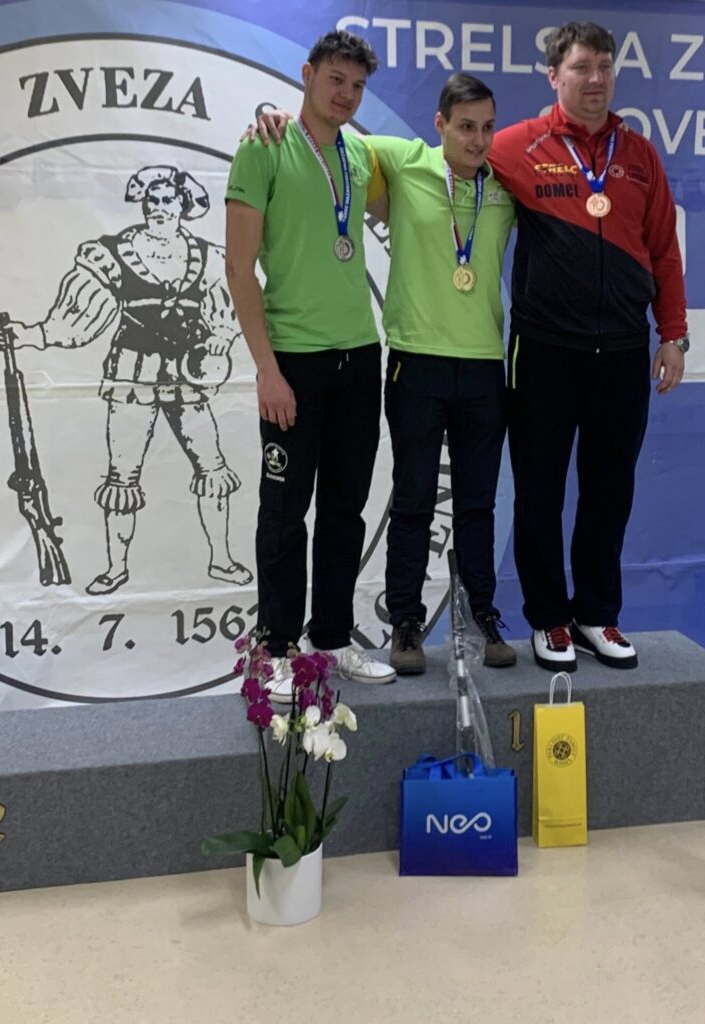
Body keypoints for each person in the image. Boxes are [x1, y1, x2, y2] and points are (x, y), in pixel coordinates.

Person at [252, 73, 518, 675]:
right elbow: (323, 139)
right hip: (415, 362)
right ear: (440, 125)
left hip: (484, 365)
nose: (478, 140)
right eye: (465, 127)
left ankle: (484, 613)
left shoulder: (505, 181)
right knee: (414, 499)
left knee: (478, 502)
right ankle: (405, 623)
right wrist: (276, 117)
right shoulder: (399, 160)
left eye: (487, 128)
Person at [488, 21, 688, 672]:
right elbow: (437, 162)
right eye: (581, 67)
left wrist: (673, 334)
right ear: (554, 76)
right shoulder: (516, 146)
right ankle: (549, 618)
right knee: (539, 491)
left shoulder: (639, 155)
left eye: (605, 66)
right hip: (544, 351)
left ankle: (597, 613)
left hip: (623, 350)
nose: (596, 79)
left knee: (610, 490)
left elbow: (664, 249)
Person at [225, 29, 396, 696]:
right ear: (307, 74)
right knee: (283, 511)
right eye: (335, 80)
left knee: (346, 511)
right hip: (293, 360)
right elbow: (239, 268)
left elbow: (411, 192)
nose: (346, 95)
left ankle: (331, 638)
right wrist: (267, 370)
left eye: (357, 85)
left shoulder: (361, 153)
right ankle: (275, 649)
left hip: (359, 355)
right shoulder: (263, 146)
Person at [0, 165, 251, 596]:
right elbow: (75, 319)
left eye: (167, 200)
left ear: (183, 206)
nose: (158, 207)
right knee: (123, 477)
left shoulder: (207, 257)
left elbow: (232, 310)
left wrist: (218, 345)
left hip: (188, 377)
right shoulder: (112, 254)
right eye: (152, 200)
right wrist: (30, 335)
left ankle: (221, 560)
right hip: (132, 374)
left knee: (212, 468)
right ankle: (116, 569)